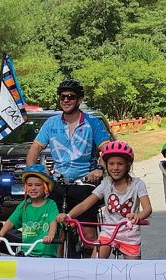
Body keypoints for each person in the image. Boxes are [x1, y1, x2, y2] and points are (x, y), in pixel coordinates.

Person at [26, 79, 111, 256]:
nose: (66, 100)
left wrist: (99, 169)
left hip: (84, 182)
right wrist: (33, 173)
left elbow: (107, 151)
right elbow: (35, 149)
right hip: (58, 180)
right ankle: (57, 266)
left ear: (79, 99)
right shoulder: (51, 123)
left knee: (87, 233)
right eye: (62, 97)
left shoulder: (92, 123)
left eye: (70, 97)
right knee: (56, 232)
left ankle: (89, 266)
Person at [57, 141, 152, 259]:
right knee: (95, 265)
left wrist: (138, 216)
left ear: (128, 165)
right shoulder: (105, 184)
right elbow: (85, 204)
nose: (115, 168)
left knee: (132, 273)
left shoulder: (138, 184)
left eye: (120, 164)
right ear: (106, 165)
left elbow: (147, 208)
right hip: (108, 233)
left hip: (129, 235)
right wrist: (68, 216)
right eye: (111, 164)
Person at [0, 164, 59, 257]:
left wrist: (50, 235)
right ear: (26, 187)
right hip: (27, 251)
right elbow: (11, 221)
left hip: (45, 252)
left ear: (46, 187)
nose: (33, 188)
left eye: (38, 185)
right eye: (29, 185)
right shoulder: (24, 205)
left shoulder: (51, 205)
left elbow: (53, 222)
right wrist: (0, 234)